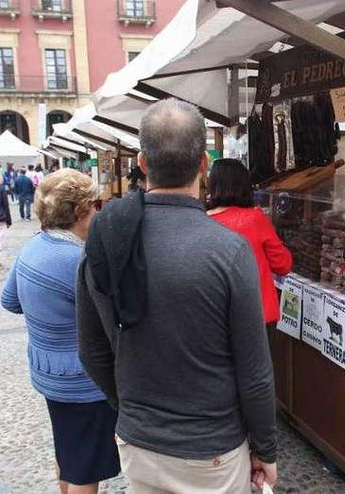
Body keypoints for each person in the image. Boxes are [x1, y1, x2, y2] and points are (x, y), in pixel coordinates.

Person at [77, 99, 278, 493]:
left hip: (140, 444)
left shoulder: (103, 241)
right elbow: (254, 372)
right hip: (212, 450)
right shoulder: (229, 251)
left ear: (142, 162)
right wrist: (265, 449)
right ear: (204, 164)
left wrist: (133, 408)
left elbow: (92, 352)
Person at [1, 169, 122, 494]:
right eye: (96, 203)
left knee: (68, 451)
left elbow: (9, 300)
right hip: (82, 381)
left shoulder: (32, 247)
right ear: (81, 210)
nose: (99, 209)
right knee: (86, 467)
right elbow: (112, 323)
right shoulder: (78, 260)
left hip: (48, 373)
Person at [207, 158, 293, 326]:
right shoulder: (255, 219)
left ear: (213, 185)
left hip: (215, 317)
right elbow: (283, 264)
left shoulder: (203, 220)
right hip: (257, 314)